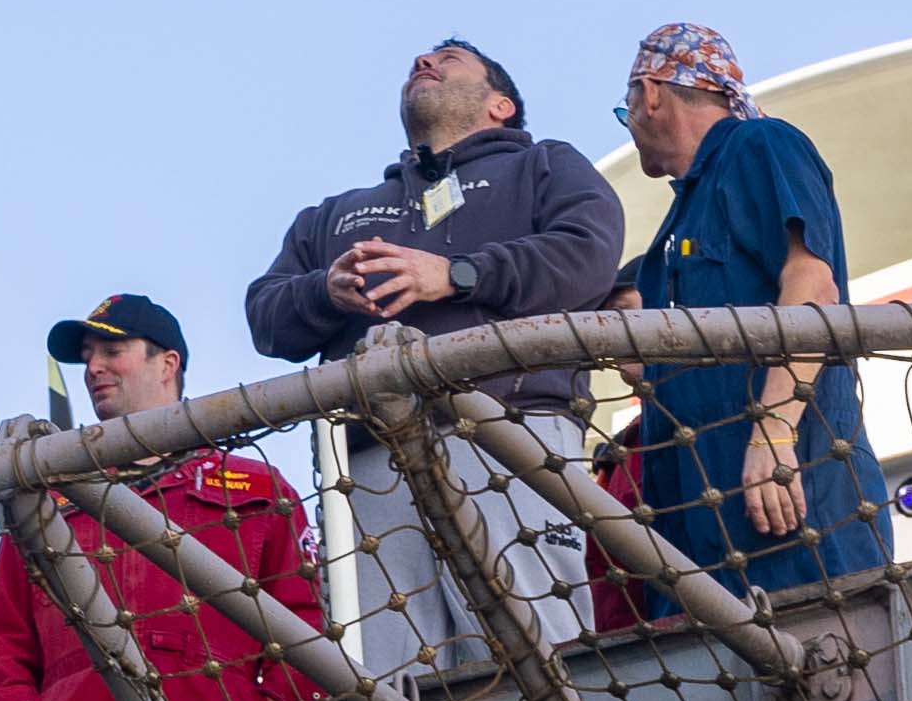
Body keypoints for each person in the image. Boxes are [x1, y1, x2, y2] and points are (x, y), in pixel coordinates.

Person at [242, 42, 628, 664]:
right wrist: (326, 292)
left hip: (512, 435)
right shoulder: (333, 214)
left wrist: (458, 274)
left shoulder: (545, 165)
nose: (423, 61)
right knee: (393, 689)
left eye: (448, 58)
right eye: (418, 59)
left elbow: (586, 256)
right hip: (368, 464)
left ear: (502, 104)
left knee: (538, 660)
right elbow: (266, 316)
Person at [0, 297, 323, 701]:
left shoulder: (258, 488)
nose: (93, 367)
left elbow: (304, 619)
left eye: (112, 350)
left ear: (167, 363)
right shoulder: (46, 501)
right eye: (88, 355)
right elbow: (0, 635)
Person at [614, 21, 888, 597]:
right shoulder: (676, 223)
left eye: (626, 108)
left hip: (791, 514)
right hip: (698, 540)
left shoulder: (761, 145)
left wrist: (773, 435)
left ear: (651, 92)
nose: (631, 121)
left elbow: (812, 287)